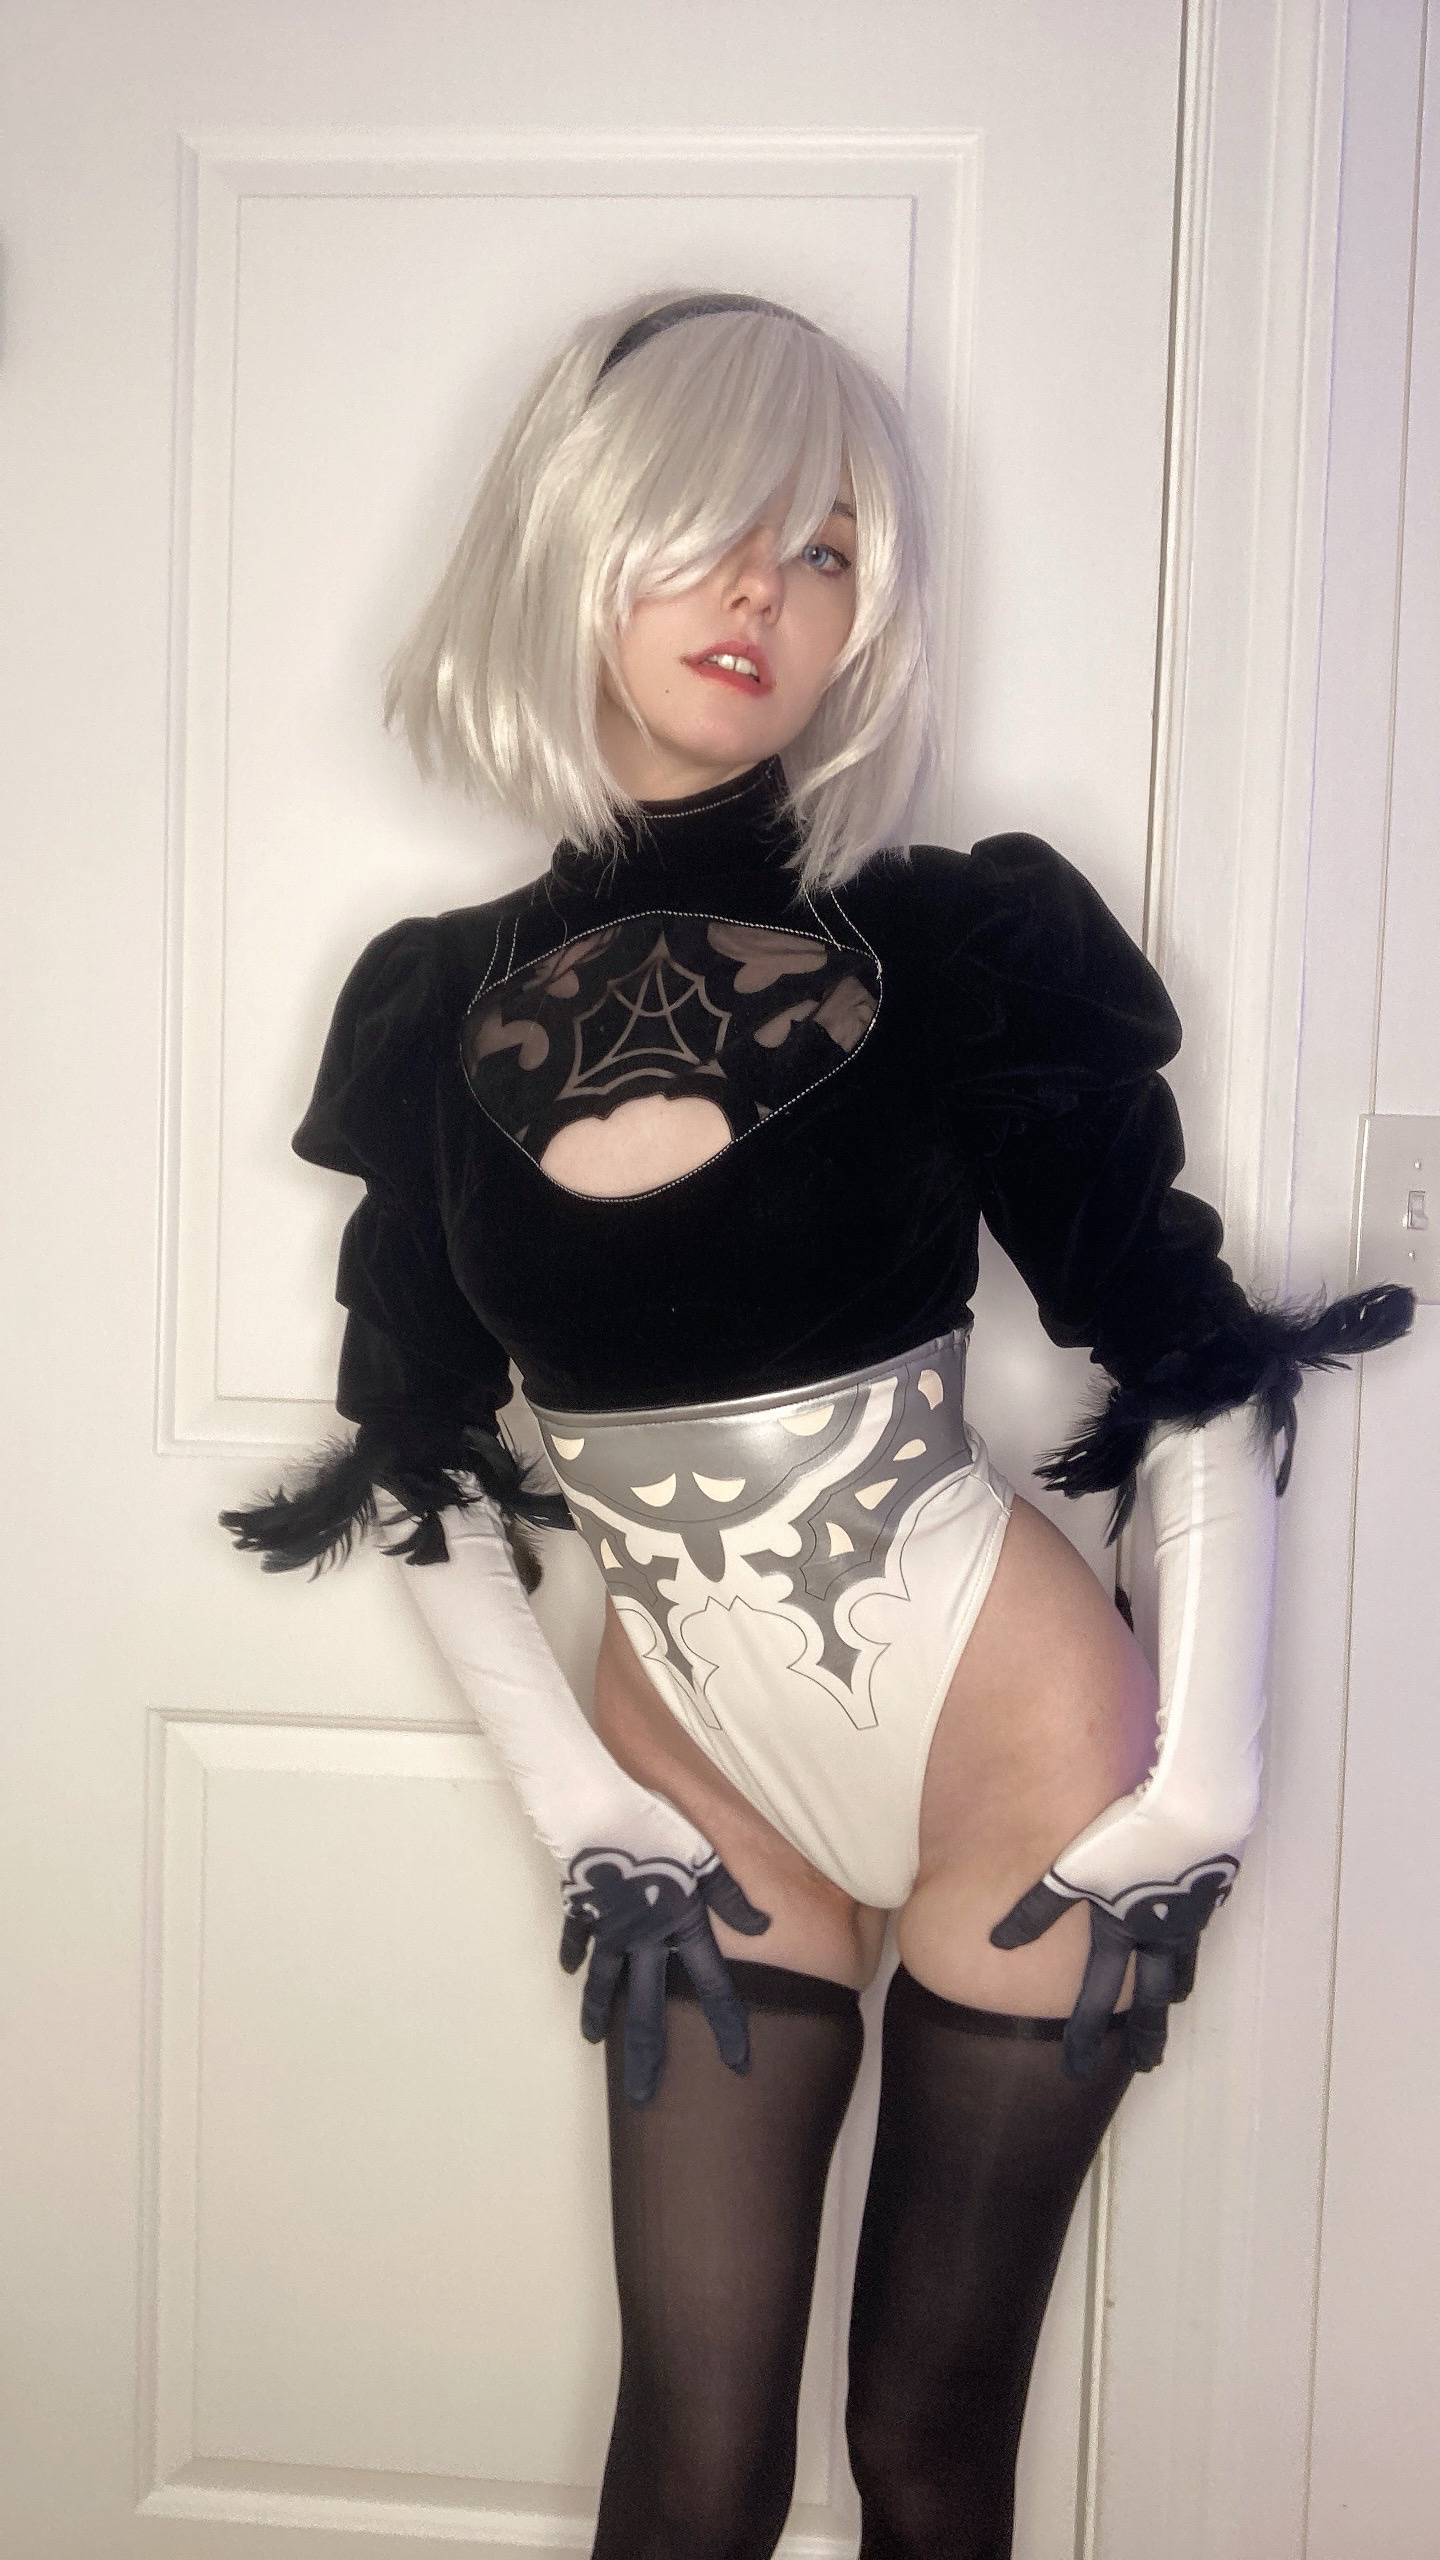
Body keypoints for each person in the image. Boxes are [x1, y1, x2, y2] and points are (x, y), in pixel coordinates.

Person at [221, 289, 1411, 2560]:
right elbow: (414, 1456)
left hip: (1017, 1752)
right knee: (693, 2455)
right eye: (710, 527)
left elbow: (1184, 1354)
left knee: (929, 2452)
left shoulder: (945, 944)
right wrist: (578, 1799)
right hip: (686, 1763)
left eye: (831, 549)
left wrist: (1207, 1781)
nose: (766, 593)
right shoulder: (438, 1004)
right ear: (581, 539)